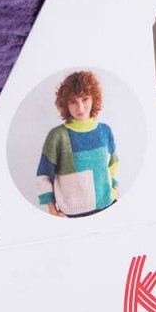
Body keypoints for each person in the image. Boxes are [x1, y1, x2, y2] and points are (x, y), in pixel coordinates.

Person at [36, 71, 119, 216]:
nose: (80, 108)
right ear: (65, 104)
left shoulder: (105, 131)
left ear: (94, 99)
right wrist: (52, 210)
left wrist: (115, 189)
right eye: (73, 101)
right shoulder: (57, 136)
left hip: (108, 207)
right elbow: (44, 175)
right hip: (72, 215)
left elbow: (113, 165)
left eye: (85, 99)